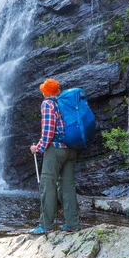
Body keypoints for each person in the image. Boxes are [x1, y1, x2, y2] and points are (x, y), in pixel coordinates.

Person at [29, 78, 81, 234]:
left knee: (48, 185)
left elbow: (48, 130)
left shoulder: (48, 104)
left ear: (45, 92)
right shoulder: (65, 103)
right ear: (57, 91)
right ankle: (73, 224)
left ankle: (45, 226)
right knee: (67, 187)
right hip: (71, 149)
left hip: (56, 149)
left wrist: (37, 148)